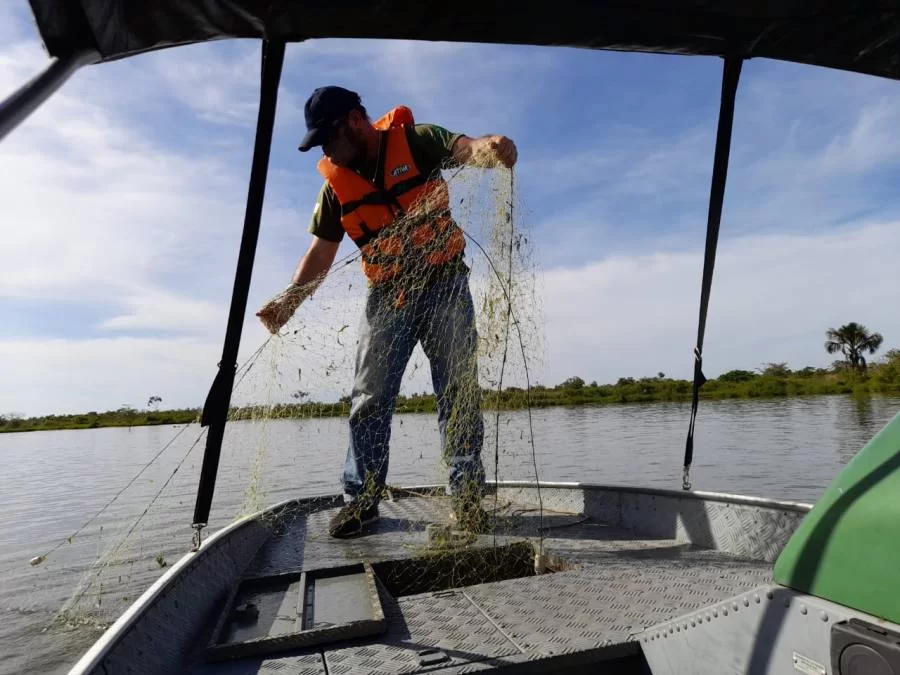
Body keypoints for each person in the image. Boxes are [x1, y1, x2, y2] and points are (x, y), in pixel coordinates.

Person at [257, 86, 517, 538]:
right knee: (369, 397)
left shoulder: (417, 140)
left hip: (445, 284)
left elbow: (467, 149)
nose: (325, 150)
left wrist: (491, 148)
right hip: (388, 296)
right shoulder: (335, 187)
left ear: (355, 121)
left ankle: (467, 498)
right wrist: (288, 303)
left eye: (328, 137)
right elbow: (320, 252)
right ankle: (362, 500)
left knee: (458, 393)